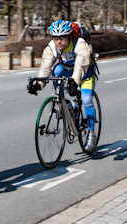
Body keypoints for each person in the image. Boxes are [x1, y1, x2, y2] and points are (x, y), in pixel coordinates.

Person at [27, 19, 98, 153]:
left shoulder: (80, 44)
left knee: (87, 99)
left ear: (69, 36)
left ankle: (91, 133)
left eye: (63, 38)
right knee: (56, 71)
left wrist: (74, 81)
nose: (59, 41)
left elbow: (81, 63)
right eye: (56, 38)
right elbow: (45, 67)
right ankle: (64, 103)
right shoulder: (52, 47)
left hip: (86, 70)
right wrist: (39, 83)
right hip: (67, 68)